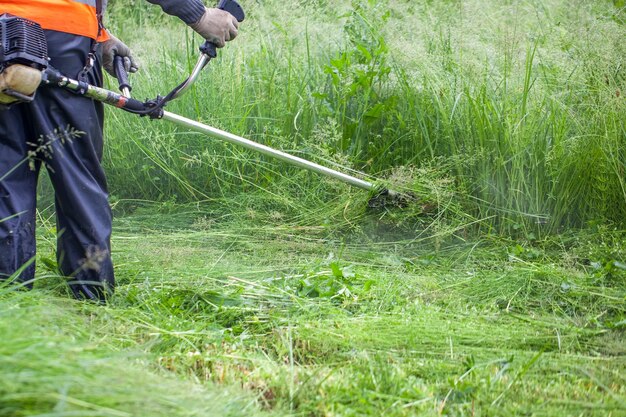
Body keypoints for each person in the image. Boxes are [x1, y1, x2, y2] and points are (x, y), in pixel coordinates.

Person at [0, 0, 239, 302]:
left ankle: (9, 303)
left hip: (6, 34)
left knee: (6, 175)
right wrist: (199, 15)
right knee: (77, 179)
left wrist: (100, 34)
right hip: (61, 34)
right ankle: (90, 299)